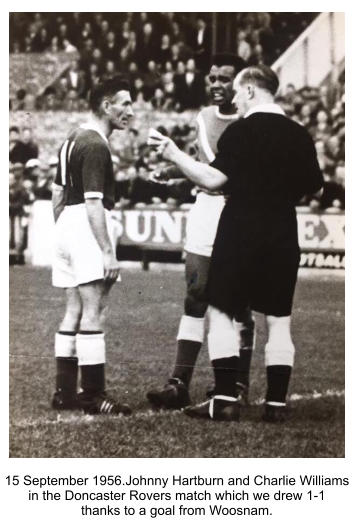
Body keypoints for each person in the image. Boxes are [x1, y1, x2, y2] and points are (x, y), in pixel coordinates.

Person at [149, 65, 323, 422]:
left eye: (238, 93)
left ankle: (224, 398)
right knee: (278, 321)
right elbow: (316, 187)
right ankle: (275, 405)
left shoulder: (241, 132)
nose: (235, 101)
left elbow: (213, 180)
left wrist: (174, 155)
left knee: (222, 312)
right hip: (283, 232)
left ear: (249, 91)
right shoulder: (299, 134)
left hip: (241, 230)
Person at [147, 54, 255, 410]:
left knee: (237, 303)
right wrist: (172, 173)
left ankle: (237, 383)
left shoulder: (251, 120)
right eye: (212, 78)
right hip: (205, 208)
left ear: (239, 83)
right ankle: (178, 382)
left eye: (224, 79)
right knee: (195, 293)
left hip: (238, 209)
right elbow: (205, 168)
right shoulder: (203, 118)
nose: (216, 85)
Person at [51, 76, 134, 415]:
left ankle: (65, 392)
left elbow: (57, 193)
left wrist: (63, 231)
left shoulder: (72, 138)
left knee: (74, 309)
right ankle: (93, 395)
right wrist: (106, 250)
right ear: (106, 106)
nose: (131, 110)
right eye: (125, 103)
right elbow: (93, 203)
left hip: (65, 226)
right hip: (85, 226)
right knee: (94, 309)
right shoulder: (97, 145)